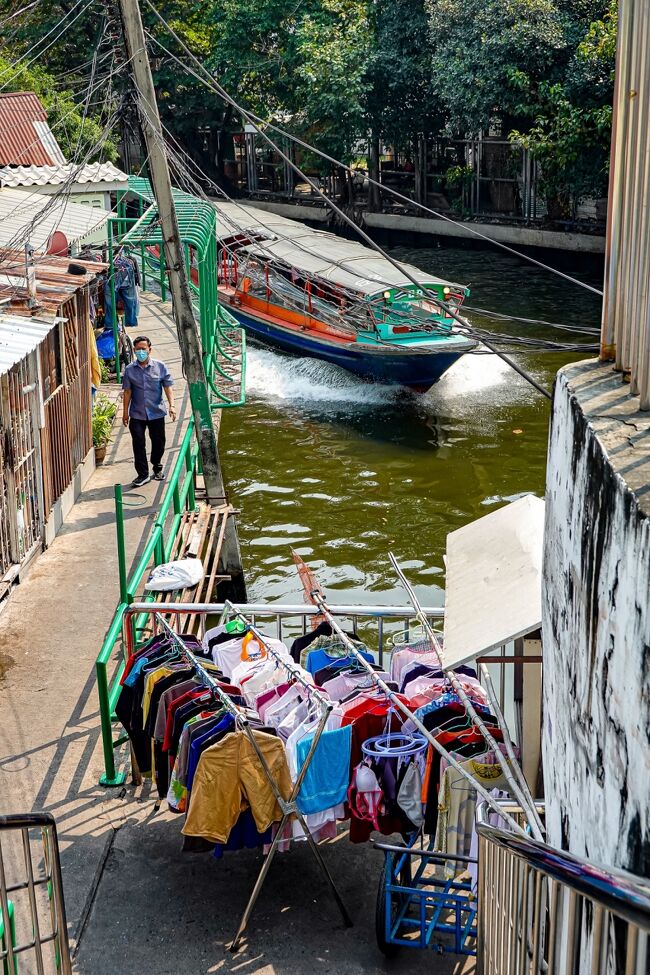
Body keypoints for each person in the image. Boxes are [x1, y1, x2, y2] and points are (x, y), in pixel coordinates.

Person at [122, 336, 176, 487]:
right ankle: (142, 474)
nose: (140, 352)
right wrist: (125, 413)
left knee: (158, 442)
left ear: (149, 350)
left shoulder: (160, 366)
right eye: (138, 349)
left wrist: (172, 406)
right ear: (134, 350)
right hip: (137, 414)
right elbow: (127, 392)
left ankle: (157, 466)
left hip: (156, 412)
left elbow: (167, 387)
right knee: (138, 443)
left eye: (143, 349)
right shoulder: (129, 370)